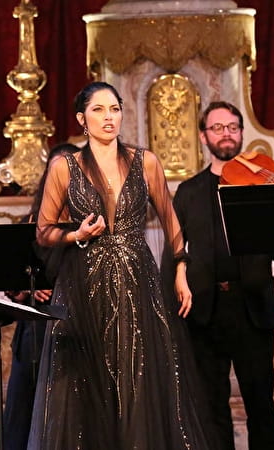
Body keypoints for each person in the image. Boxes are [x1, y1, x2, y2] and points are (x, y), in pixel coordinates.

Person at [27, 81, 215, 449]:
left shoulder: (145, 161)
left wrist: (181, 270)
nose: (108, 117)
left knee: (138, 375)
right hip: (85, 284)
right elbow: (43, 231)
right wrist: (76, 234)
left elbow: (171, 220)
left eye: (114, 109)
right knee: (86, 382)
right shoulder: (65, 166)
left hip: (137, 281)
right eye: (98, 110)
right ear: (82, 119)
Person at [165, 101, 274, 450]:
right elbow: (175, 250)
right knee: (211, 408)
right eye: (217, 128)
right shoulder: (189, 191)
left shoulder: (261, 184)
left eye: (232, 127)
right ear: (203, 137)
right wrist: (178, 282)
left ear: (242, 133)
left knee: (261, 406)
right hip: (205, 310)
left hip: (251, 307)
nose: (226, 134)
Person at [3, 142, 79, 450]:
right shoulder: (30, 224)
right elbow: (12, 285)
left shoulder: (90, 224)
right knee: (27, 411)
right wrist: (26, 289)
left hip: (76, 329)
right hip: (35, 329)